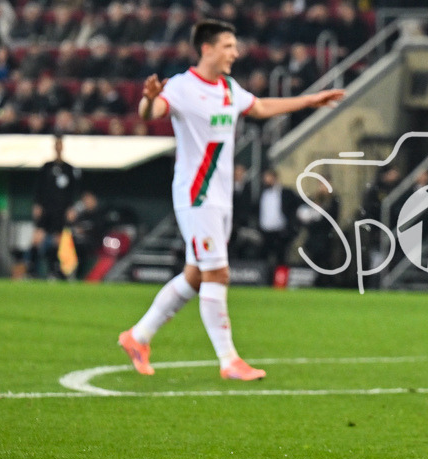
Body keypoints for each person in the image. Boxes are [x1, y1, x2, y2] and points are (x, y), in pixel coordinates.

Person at [118, 20, 344, 380]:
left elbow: (262, 107)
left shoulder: (227, 89)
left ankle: (138, 336)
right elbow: (153, 113)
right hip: (197, 194)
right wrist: (147, 99)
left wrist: (311, 100)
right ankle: (229, 360)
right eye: (228, 46)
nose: (235, 53)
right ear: (206, 48)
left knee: (195, 275)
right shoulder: (182, 87)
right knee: (217, 272)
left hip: (221, 198)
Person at [30, 133, 81, 278]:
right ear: (54, 147)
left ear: (62, 147)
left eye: (60, 144)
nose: (58, 147)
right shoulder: (46, 167)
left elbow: (73, 191)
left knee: (58, 240)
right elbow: (39, 188)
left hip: (61, 210)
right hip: (46, 208)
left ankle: (55, 270)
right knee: (37, 238)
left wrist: (72, 208)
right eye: (56, 144)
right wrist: (37, 205)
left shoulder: (69, 169)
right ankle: (32, 269)